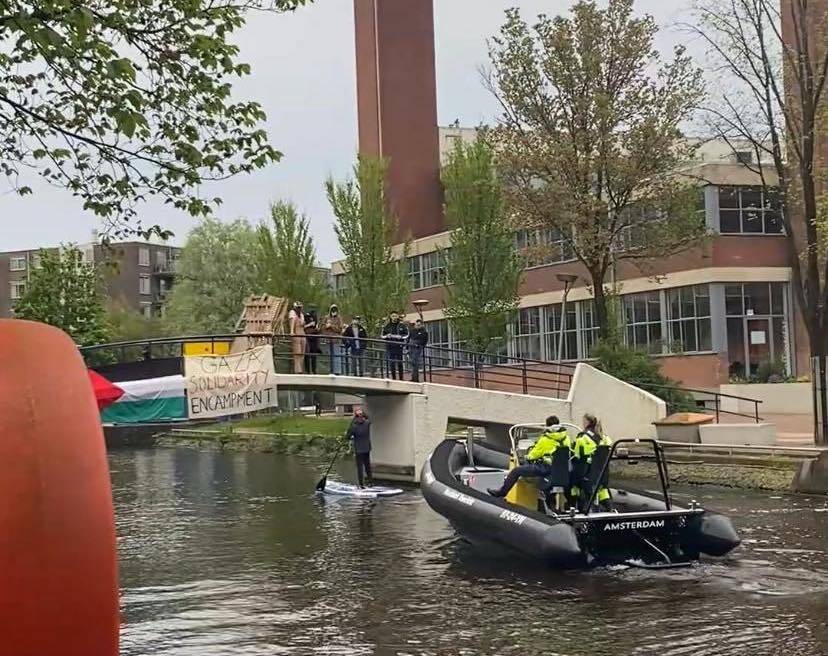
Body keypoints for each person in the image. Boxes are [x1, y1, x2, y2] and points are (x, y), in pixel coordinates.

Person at [488, 416, 571, 498]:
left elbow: (532, 456)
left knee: (516, 471)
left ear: (548, 426)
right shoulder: (567, 438)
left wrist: (527, 457)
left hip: (546, 468)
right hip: (561, 470)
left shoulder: (546, 439)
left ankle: (502, 492)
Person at [570, 413, 613, 512]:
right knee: (602, 489)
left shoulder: (582, 438)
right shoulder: (605, 438)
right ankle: (610, 508)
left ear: (587, 422)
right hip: (603, 475)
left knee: (573, 482)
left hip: (588, 475)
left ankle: (574, 506)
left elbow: (576, 456)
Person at [345, 407, 372, 488]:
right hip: (367, 448)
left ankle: (361, 484)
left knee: (360, 467)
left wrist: (354, 417)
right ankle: (370, 483)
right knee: (367, 466)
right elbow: (368, 417)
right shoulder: (367, 423)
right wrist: (362, 413)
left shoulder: (354, 426)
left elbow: (347, 436)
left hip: (359, 449)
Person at [382, 311, 409, 380]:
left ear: (397, 316)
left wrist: (401, 337)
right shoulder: (387, 326)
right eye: (393, 316)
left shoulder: (402, 325)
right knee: (392, 363)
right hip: (390, 346)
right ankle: (393, 378)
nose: (394, 317)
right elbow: (382, 336)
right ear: (390, 317)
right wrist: (387, 336)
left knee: (400, 363)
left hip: (399, 346)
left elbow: (407, 335)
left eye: (395, 316)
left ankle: (401, 378)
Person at [321, 304, 344, 375]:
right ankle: (330, 371)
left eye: (335, 310)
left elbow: (340, 329)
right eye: (333, 310)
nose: (334, 311)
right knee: (329, 356)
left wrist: (332, 326)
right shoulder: (326, 318)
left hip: (336, 340)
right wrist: (326, 326)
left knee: (336, 355)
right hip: (328, 340)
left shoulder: (339, 318)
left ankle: (337, 371)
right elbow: (321, 327)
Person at [288, 301, 306, 374]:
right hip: (296, 333)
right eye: (298, 307)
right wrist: (292, 331)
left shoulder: (301, 314)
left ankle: (301, 369)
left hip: (302, 333)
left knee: (302, 352)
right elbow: (292, 321)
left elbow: (303, 323)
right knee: (297, 353)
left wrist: (303, 323)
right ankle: (297, 370)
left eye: (300, 307)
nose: (300, 309)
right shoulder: (292, 313)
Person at [303, 310, 321, 374]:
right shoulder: (305, 316)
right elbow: (303, 327)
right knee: (307, 354)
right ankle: (307, 370)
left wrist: (317, 329)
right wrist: (309, 324)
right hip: (307, 336)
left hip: (314, 336)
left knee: (314, 354)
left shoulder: (315, 317)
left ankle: (314, 370)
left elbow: (317, 326)